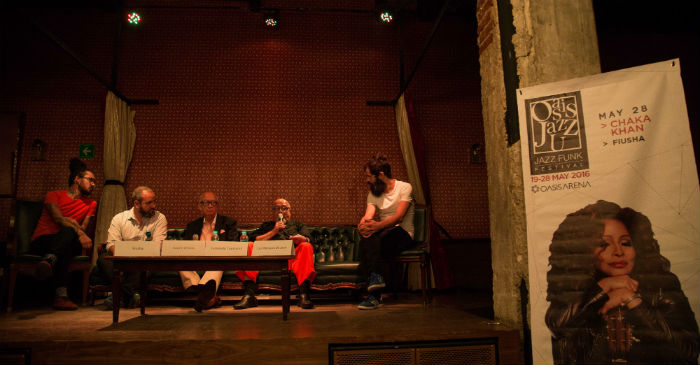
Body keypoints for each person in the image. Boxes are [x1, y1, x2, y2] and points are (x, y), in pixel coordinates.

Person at [545, 200, 700, 364]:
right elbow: (558, 325)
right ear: (583, 251)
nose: (618, 252)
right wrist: (605, 287)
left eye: (626, 243)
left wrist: (632, 301)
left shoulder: (661, 285)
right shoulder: (574, 289)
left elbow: (688, 352)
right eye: (604, 244)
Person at [29, 158, 97, 310]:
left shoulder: (91, 203)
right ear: (77, 179)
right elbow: (57, 218)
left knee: (67, 235)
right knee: (65, 244)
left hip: (69, 239)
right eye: (90, 180)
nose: (93, 184)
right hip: (43, 240)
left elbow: (83, 226)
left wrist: (75, 227)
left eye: (94, 182)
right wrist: (74, 225)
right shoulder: (54, 195)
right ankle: (61, 297)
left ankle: (49, 260)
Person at [356, 154, 416, 310]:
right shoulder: (373, 193)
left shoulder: (405, 187)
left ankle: (374, 296)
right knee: (368, 239)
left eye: (369, 176)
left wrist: (376, 227)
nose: (366, 180)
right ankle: (375, 283)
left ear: (381, 174)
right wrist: (363, 225)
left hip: (402, 233)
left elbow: (399, 217)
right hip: (383, 234)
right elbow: (368, 215)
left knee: (370, 244)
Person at [93, 186, 168, 309]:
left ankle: (119, 296)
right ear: (136, 203)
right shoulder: (119, 218)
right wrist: (126, 256)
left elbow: (157, 245)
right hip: (121, 258)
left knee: (143, 264)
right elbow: (112, 244)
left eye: (154, 201)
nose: (154, 205)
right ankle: (131, 295)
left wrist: (137, 255)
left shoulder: (159, 218)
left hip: (145, 258)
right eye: (149, 203)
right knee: (103, 259)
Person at [234, 198, 316, 310]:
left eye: (284, 208)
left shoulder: (298, 225)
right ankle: (249, 295)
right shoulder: (267, 225)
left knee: (306, 245)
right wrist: (274, 231)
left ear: (290, 211)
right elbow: (254, 239)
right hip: (268, 257)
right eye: (277, 208)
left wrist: (301, 239)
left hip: (292, 259)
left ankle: (304, 295)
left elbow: (309, 239)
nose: (280, 211)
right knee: (249, 245)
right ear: (273, 212)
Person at [181, 191, 239, 312]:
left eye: (214, 203)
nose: (210, 205)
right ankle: (204, 293)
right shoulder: (192, 225)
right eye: (206, 203)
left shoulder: (228, 223)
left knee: (217, 265)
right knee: (180, 264)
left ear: (217, 206)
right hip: (196, 259)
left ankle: (202, 293)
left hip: (217, 258)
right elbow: (185, 247)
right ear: (199, 206)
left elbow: (234, 244)